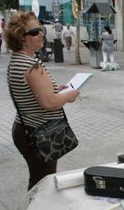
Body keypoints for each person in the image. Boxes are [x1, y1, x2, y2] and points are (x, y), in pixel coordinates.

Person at [5, 11, 80, 190]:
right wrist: (68, 97)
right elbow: (49, 103)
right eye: (34, 32)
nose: (41, 34)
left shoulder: (19, 60)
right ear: (21, 37)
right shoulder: (31, 65)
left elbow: (33, 92)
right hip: (38, 133)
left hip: (27, 129)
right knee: (42, 183)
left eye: (40, 30)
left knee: (39, 178)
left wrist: (55, 89)